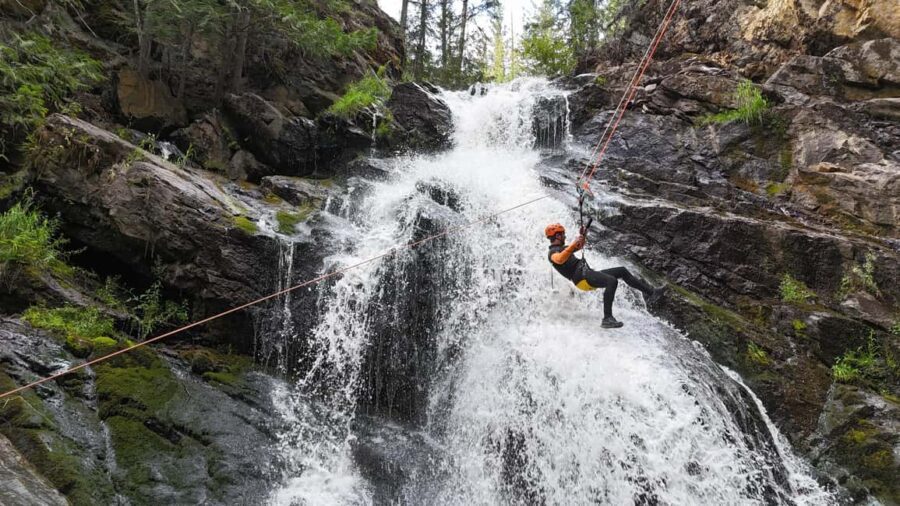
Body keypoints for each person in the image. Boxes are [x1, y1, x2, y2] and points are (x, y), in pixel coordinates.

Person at [545, 222, 663, 328]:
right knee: (611, 281)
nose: (565, 236)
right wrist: (573, 244)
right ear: (557, 236)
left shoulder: (564, 248)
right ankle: (607, 318)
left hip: (587, 274)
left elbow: (580, 245)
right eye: (563, 234)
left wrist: (583, 235)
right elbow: (559, 259)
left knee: (622, 271)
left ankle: (651, 293)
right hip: (581, 279)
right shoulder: (552, 252)